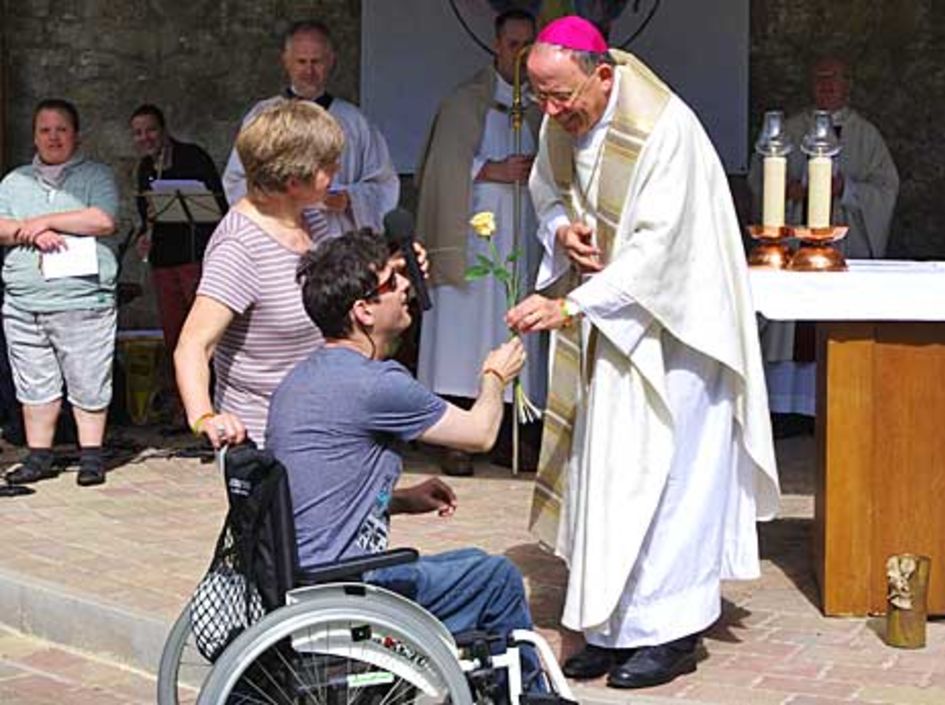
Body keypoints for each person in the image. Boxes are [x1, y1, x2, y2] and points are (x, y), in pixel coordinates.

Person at [504, 17, 780, 689]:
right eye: (539, 96)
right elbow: (546, 189)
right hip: (611, 328)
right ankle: (611, 625)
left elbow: (661, 252)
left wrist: (569, 305)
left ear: (602, 75)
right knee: (610, 476)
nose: (551, 111)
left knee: (668, 477)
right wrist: (560, 229)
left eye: (561, 96)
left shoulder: (665, 129)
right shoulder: (562, 119)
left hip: (675, 336)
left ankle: (671, 632)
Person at [264, 229, 542, 690]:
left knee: (470, 560)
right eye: (392, 283)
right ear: (363, 310)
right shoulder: (376, 384)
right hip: (347, 588)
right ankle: (529, 697)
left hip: (302, 577)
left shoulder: (301, 380)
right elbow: (480, 434)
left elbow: (321, 493)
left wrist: (402, 500)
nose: (406, 288)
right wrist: (495, 377)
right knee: (496, 577)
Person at [416, 8, 547, 476]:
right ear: (496, 45)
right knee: (463, 331)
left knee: (512, 321)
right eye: (514, 45)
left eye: (528, 46)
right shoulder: (464, 102)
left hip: (524, 233)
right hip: (471, 232)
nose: (520, 55)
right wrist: (487, 170)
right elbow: (440, 169)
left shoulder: (542, 102)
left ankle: (512, 427)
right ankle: (455, 434)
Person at [174, 100, 342, 449]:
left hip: (322, 422)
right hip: (268, 438)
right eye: (328, 166)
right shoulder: (240, 246)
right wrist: (205, 417)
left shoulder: (313, 220)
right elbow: (192, 346)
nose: (337, 171)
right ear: (294, 180)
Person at [750, 57, 900, 424]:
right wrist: (790, 192)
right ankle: (783, 409)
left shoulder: (866, 135)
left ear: (848, 83)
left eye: (834, 78)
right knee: (787, 328)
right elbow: (760, 178)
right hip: (794, 247)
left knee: (832, 323)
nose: (827, 84)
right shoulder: (790, 129)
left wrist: (846, 189)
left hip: (840, 246)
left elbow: (886, 189)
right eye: (819, 78)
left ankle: (831, 407)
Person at [0, 98, 119, 486]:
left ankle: (91, 456)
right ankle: (39, 456)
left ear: (76, 135)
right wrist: (31, 232)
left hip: (82, 299)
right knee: (34, 381)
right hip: (25, 301)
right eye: (45, 130)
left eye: (61, 130)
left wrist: (42, 221)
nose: (53, 137)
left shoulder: (97, 176)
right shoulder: (13, 181)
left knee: (88, 376)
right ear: (34, 136)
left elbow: (101, 219)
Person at [221, 19, 398, 236]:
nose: (309, 71)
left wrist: (349, 199)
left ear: (331, 61)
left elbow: (383, 185)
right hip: (277, 237)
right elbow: (236, 181)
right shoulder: (263, 118)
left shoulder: (355, 122)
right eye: (301, 62)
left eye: (316, 62)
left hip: (337, 243)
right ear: (286, 61)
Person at [130, 104, 228, 425]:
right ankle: (186, 408)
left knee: (206, 334)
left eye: (151, 130)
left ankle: (216, 402)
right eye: (139, 133)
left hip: (196, 256)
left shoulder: (192, 157)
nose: (145, 137)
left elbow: (217, 205)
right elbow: (146, 216)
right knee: (176, 336)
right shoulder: (145, 167)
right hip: (164, 261)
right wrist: (145, 235)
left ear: (164, 129)